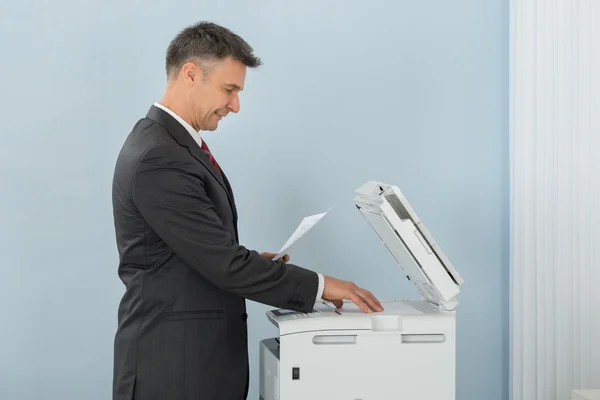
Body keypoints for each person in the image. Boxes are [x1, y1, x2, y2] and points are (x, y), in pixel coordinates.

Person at [111, 21, 383, 400]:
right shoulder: (160, 156)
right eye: (229, 90)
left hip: (194, 365)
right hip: (174, 370)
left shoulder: (172, 145)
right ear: (191, 74)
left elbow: (194, 250)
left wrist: (256, 261)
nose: (235, 106)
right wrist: (321, 285)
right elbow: (222, 263)